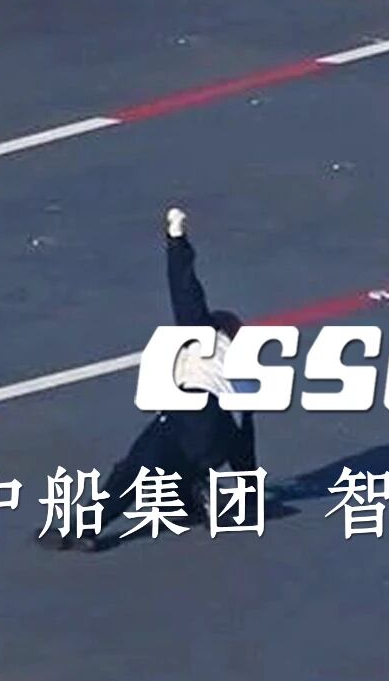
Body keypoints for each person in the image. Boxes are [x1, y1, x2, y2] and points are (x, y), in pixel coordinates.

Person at [49, 206, 257, 549]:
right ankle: (201, 493)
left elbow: (185, 292)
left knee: (134, 471)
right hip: (217, 438)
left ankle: (83, 527)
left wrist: (177, 242)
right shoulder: (246, 377)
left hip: (189, 413)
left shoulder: (200, 335)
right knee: (177, 472)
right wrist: (250, 497)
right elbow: (244, 443)